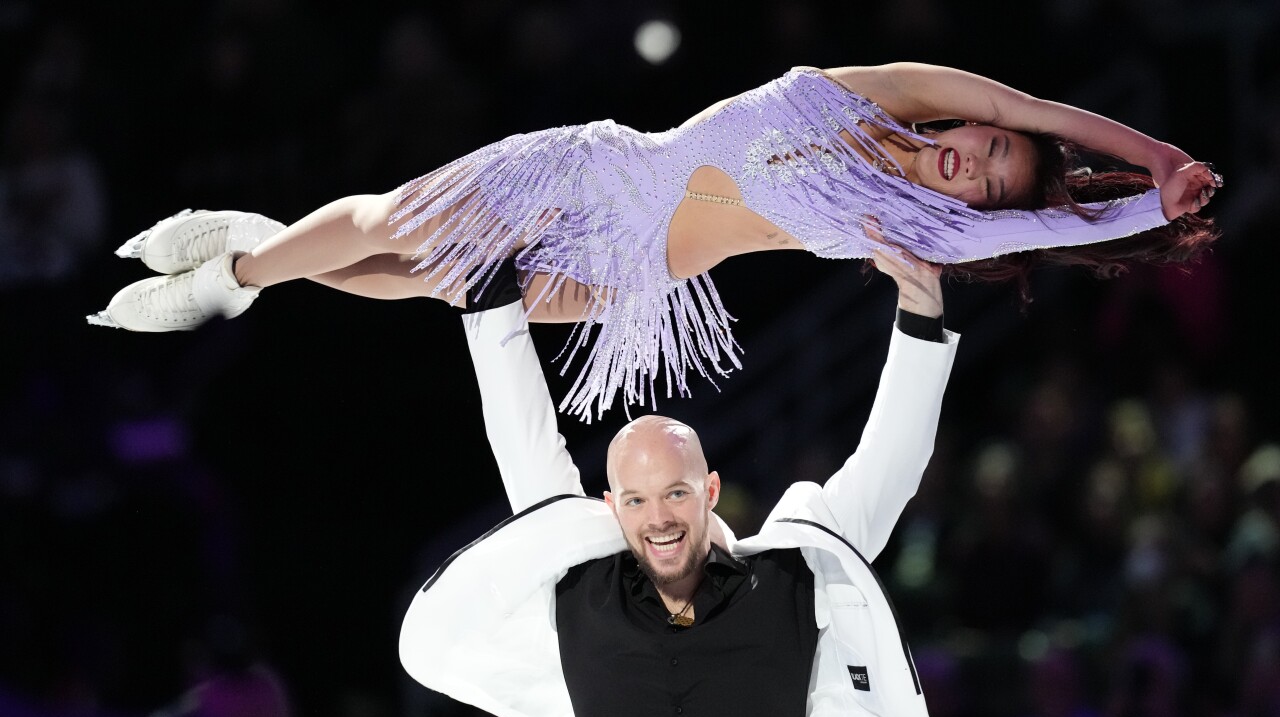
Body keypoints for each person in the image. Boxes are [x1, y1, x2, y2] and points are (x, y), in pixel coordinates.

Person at [87, 63, 1220, 419]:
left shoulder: (924, 223)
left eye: (989, 183)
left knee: (438, 288)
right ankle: (236, 272)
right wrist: (1158, 151)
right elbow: (1037, 113)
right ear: (971, 127)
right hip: (593, 172)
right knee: (402, 225)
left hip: (638, 273)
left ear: (979, 208)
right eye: (985, 144)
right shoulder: (874, 91)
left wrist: (1148, 204)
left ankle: (257, 258)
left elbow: (1072, 216)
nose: (972, 159)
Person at [400, 239, 958, 717]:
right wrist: (491, 298)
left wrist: (920, 311)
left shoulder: (789, 580)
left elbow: (890, 467)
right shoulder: (579, 589)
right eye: (636, 500)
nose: (658, 518)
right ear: (611, 507)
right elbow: (522, 442)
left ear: (710, 490)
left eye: (675, 493)